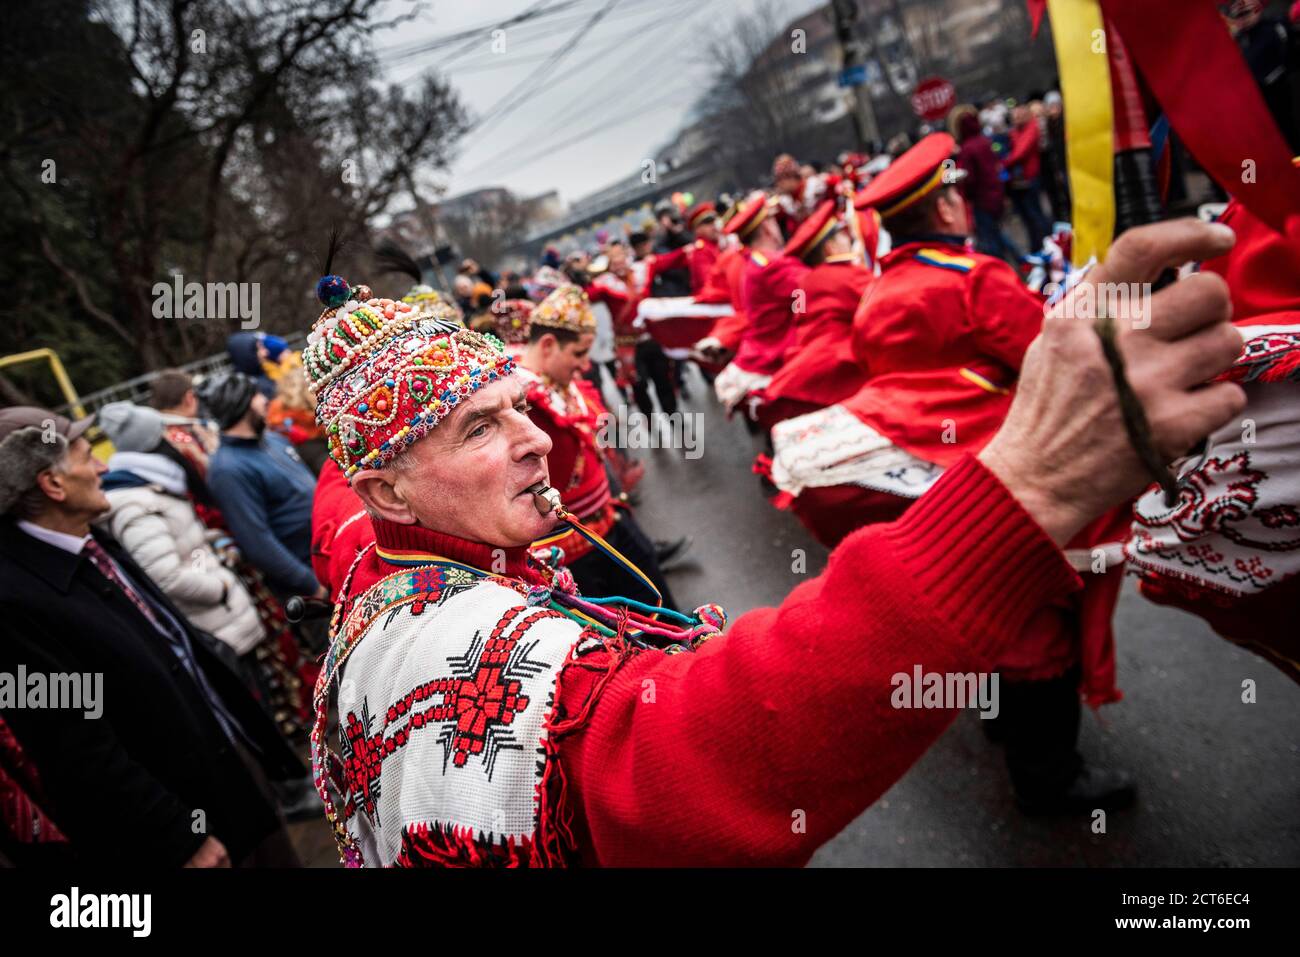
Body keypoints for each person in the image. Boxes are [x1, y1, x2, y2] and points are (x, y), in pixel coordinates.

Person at [298, 216, 1246, 866]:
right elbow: (705, 750)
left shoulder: (406, 572)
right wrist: (1025, 486)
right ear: (382, 485)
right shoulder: (452, 647)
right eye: (477, 426)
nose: (536, 436)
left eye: (518, 407)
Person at [772, 133, 1133, 812]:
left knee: (977, 598)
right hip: (999, 466)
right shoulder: (972, 279)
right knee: (1038, 616)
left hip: (918, 476)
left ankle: (1004, 719)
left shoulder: (877, 294)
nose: (964, 204)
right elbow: (1054, 360)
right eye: (956, 193)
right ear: (942, 211)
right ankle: (1049, 778)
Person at [0, 407, 306, 866]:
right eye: (87, 457)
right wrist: (177, 837)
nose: (104, 466)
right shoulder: (14, 602)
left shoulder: (92, 540)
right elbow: (74, 746)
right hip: (192, 827)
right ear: (53, 485)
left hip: (229, 780)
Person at [515, 284, 679, 607]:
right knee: (623, 626)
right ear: (548, 344)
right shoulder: (518, 398)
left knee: (656, 599)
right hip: (573, 551)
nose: (584, 365)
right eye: (578, 353)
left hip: (610, 520)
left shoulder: (559, 382)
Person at [96, 402, 264, 658]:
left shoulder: (157, 486)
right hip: (218, 626)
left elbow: (183, 547)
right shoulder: (137, 503)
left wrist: (212, 542)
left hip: (225, 618)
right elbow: (166, 576)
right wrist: (221, 588)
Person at [199, 371, 323, 603]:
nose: (265, 399)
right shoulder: (227, 470)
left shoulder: (272, 440)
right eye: (255, 394)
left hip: (330, 558)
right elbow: (256, 541)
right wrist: (311, 585)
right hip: (312, 583)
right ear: (241, 404)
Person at [753, 200, 875, 433]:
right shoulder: (847, 276)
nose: (848, 240)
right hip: (843, 368)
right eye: (841, 236)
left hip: (807, 363)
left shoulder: (806, 281)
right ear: (830, 249)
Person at [712, 192, 808, 416]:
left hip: (771, 348)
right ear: (766, 228)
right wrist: (801, 315)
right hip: (782, 351)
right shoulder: (770, 264)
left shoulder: (755, 261)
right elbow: (805, 289)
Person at [954, 105, 1022, 264]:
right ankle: (1021, 260)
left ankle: (1003, 267)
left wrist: (963, 189)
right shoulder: (985, 142)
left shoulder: (967, 149)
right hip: (995, 194)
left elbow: (968, 179)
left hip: (982, 200)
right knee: (999, 233)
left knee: (991, 240)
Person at [1002, 103, 1053, 253]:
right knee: (1027, 218)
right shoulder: (1015, 132)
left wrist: (1004, 162)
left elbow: (1019, 153)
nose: (1016, 118)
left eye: (1019, 115)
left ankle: (1047, 245)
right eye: (1014, 116)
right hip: (1018, 181)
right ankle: (1037, 246)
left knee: (1035, 215)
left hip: (1030, 178)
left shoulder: (1031, 128)